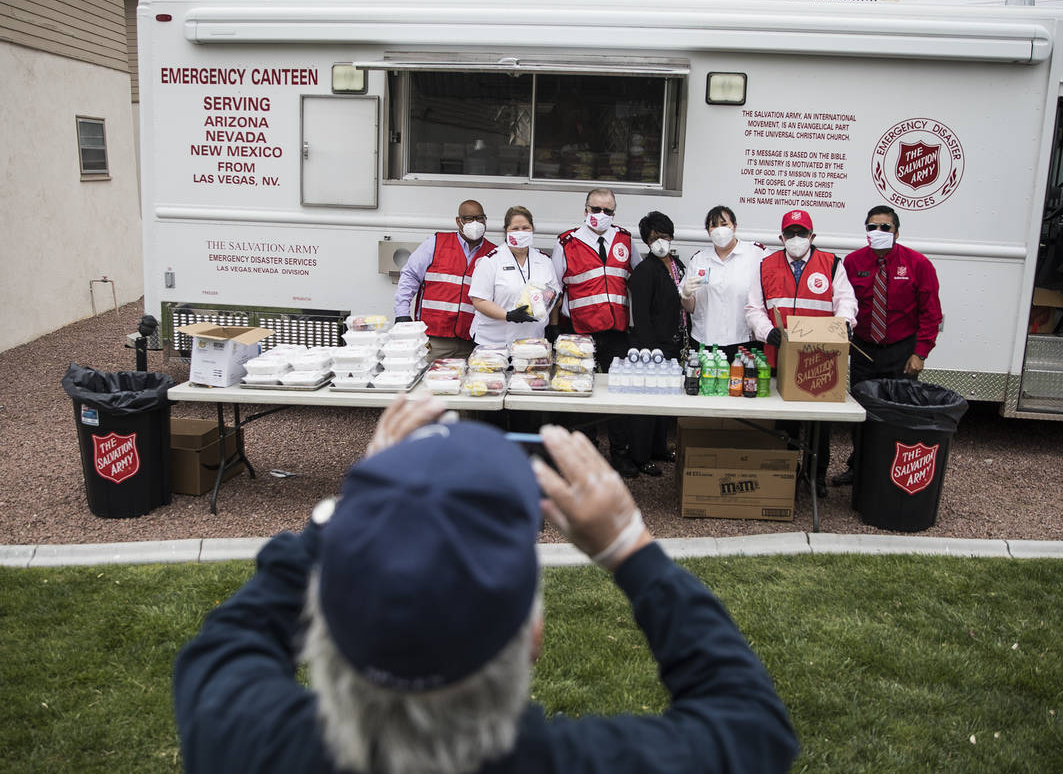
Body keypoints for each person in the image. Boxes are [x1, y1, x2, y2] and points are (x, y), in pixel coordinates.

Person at [173, 395, 800, 774]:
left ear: (324, 628)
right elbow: (749, 722)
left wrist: (356, 503)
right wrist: (627, 546)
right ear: (533, 636)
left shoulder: (248, 744)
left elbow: (232, 639)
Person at [746, 208, 858, 497]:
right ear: (781, 237)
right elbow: (754, 308)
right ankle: (786, 474)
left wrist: (845, 324)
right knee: (786, 424)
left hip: (821, 360)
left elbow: (846, 300)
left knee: (820, 425)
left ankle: (815, 477)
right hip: (781, 357)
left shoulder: (832, 264)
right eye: (790, 233)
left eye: (802, 233)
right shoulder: (765, 265)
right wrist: (764, 331)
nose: (796, 238)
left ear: (813, 236)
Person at [831, 205, 943, 488]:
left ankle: (893, 473)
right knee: (862, 413)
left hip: (902, 353)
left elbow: (931, 313)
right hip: (864, 351)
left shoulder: (918, 264)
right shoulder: (852, 263)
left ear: (897, 232)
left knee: (899, 414)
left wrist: (920, 353)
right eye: (872, 227)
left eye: (885, 228)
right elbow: (842, 303)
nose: (878, 232)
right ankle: (860, 468)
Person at [551, 187, 641, 476]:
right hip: (579, 331)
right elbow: (554, 290)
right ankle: (583, 456)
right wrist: (553, 328)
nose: (600, 215)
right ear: (585, 209)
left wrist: (638, 329)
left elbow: (638, 283)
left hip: (617, 332)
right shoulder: (567, 242)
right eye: (595, 209)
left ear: (614, 213)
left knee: (619, 395)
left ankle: (620, 453)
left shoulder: (625, 240)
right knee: (579, 396)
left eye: (607, 211)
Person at [626, 210, 687, 476]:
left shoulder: (677, 265)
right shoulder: (644, 271)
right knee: (646, 405)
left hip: (674, 342)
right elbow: (641, 318)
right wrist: (651, 352)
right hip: (652, 348)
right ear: (646, 242)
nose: (660, 241)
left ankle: (660, 447)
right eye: (654, 238)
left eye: (664, 236)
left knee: (666, 401)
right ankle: (640, 455)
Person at [394, 199, 496, 359]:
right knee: (428, 381)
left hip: (472, 342)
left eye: (480, 218)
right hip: (434, 339)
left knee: (473, 384)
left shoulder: (493, 254)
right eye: (469, 219)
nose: (475, 223)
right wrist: (402, 314)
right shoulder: (436, 243)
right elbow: (410, 275)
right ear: (458, 221)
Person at [680, 205, 764, 362]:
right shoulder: (699, 259)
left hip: (743, 342)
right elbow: (691, 307)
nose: (719, 230)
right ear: (708, 231)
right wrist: (685, 295)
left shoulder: (756, 254)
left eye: (724, 224)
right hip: (706, 342)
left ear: (734, 226)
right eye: (714, 226)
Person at [468, 206, 559, 347]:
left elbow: (555, 298)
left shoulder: (544, 261)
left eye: (525, 228)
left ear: (532, 229)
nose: (520, 232)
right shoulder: (491, 261)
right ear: (506, 231)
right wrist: (508, 315)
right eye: (515, 229)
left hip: (532, 342)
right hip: (494, 343)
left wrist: (554, 325)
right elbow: (479, 301)